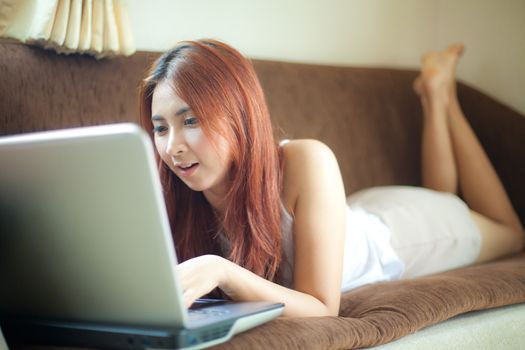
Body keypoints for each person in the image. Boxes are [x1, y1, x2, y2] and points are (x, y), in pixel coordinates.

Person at [139, 40, 524, 317]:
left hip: (408, 235)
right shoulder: (179, 194)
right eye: (160, 128)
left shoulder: (306, 159)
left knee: (507, 230)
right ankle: (435, 93)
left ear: (237, 115)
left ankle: (443, 98)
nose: (172, 146)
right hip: (361, 211)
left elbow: (322, 306)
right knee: (440, 192)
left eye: (190, 120)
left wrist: (219, 269)